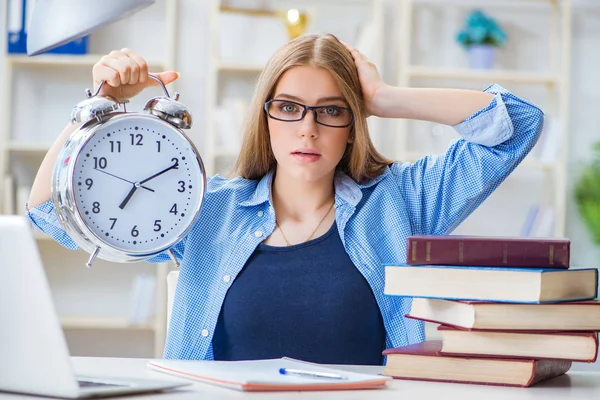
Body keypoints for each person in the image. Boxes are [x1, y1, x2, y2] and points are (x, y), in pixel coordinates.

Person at [26, 33, 543, 365]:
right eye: (289, 108)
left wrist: (385, 98)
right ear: (265, 116)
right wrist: (96, 108)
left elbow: (518, 125)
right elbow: (50, 213)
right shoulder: (207, 211)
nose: (309, 129)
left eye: (332, 111)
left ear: (352, 123)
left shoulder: (403, 200)